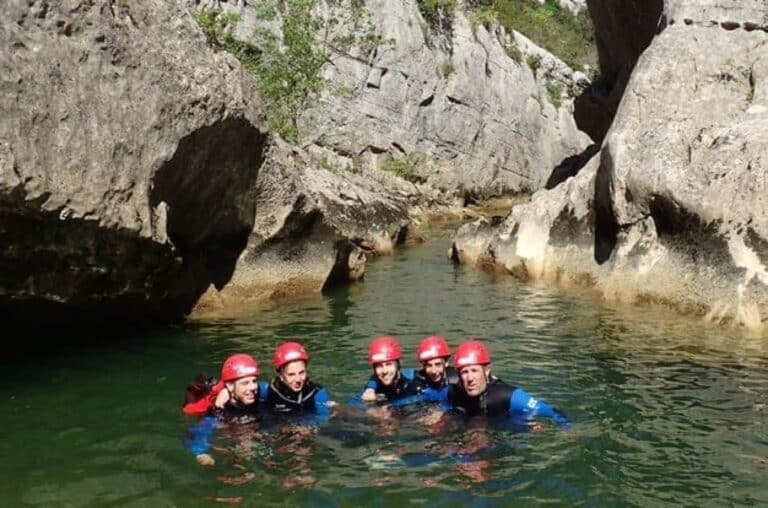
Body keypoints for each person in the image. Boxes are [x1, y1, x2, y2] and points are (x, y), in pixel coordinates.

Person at [440, 340, 571, 428]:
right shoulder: (454, 392)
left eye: (474, 371)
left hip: (506, 429)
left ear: (487, 372)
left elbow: (550, 412)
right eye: (464, 372)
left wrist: (568, 429)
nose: (469, 378)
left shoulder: (508, 395)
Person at [184, 353, 268, 466]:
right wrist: (200, 453)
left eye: (254, 381)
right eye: (245, 383)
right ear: (229, 386)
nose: (252, 387)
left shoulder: (259, 395)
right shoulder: (219, 411)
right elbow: (196, 434)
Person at [360, 336, 422, 404]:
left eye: (388, 364)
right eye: (379, 366)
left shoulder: (413, 381)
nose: (384, 371)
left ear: (397, 365)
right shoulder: (374, 389)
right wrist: (370, 389)